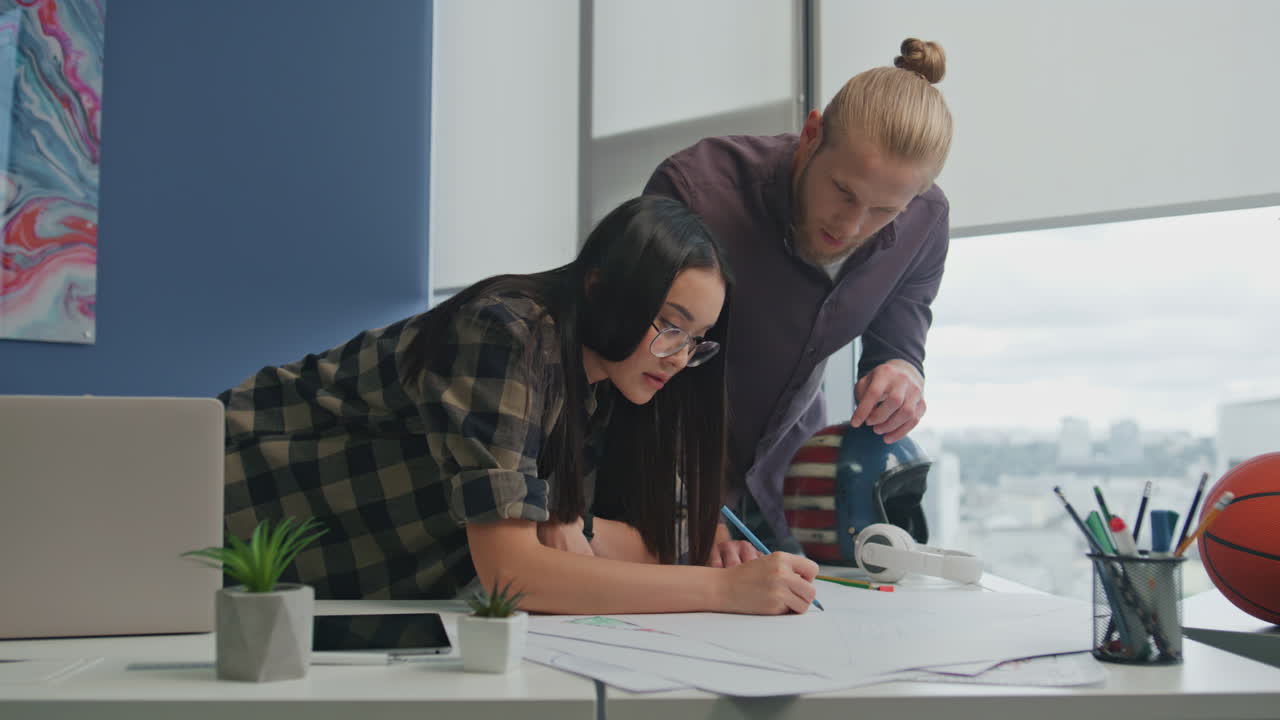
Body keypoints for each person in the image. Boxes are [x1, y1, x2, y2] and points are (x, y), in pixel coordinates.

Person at [220, 196, 819, 614]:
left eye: (695, 340)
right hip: (220, 508)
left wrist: (579, 525)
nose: (678, 358)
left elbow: (667, 540)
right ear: (599, 288)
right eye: (669, 325)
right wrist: (724, 592)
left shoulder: (620, 382)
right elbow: (513, 574)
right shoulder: (506, 333)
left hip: (338, 594)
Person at [643, 38, 954, 560]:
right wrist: (688, 512)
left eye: (884, 212)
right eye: (843, 191)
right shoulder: (696, 192)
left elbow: (899, 344)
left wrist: (902, 374)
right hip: (666, 483)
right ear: (811, 135)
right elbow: (635, 363)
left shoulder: (926, 223)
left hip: (790, 491)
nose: (851, 226)